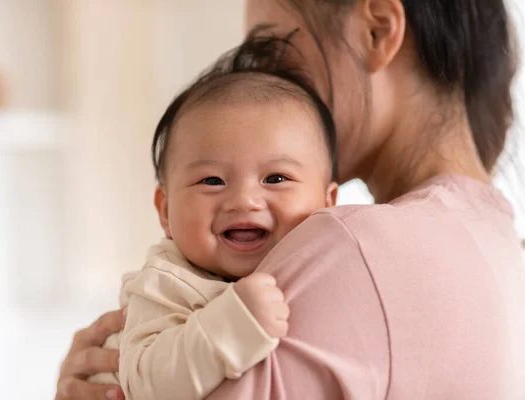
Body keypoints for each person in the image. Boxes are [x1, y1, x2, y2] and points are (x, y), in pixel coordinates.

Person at [55, 0, 525, 399]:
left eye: (274, 54)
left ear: (377, 29)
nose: (263, 86)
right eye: (212, 181)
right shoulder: (503, 246)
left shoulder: (351, 246)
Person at [87, 38, 338, 400]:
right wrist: (231, 327)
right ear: (166, 210)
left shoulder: (335, 263)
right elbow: (145, 385)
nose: (244, 200)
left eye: (276, 179)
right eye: (212, 181)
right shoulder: (166, 283)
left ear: (329, 202)